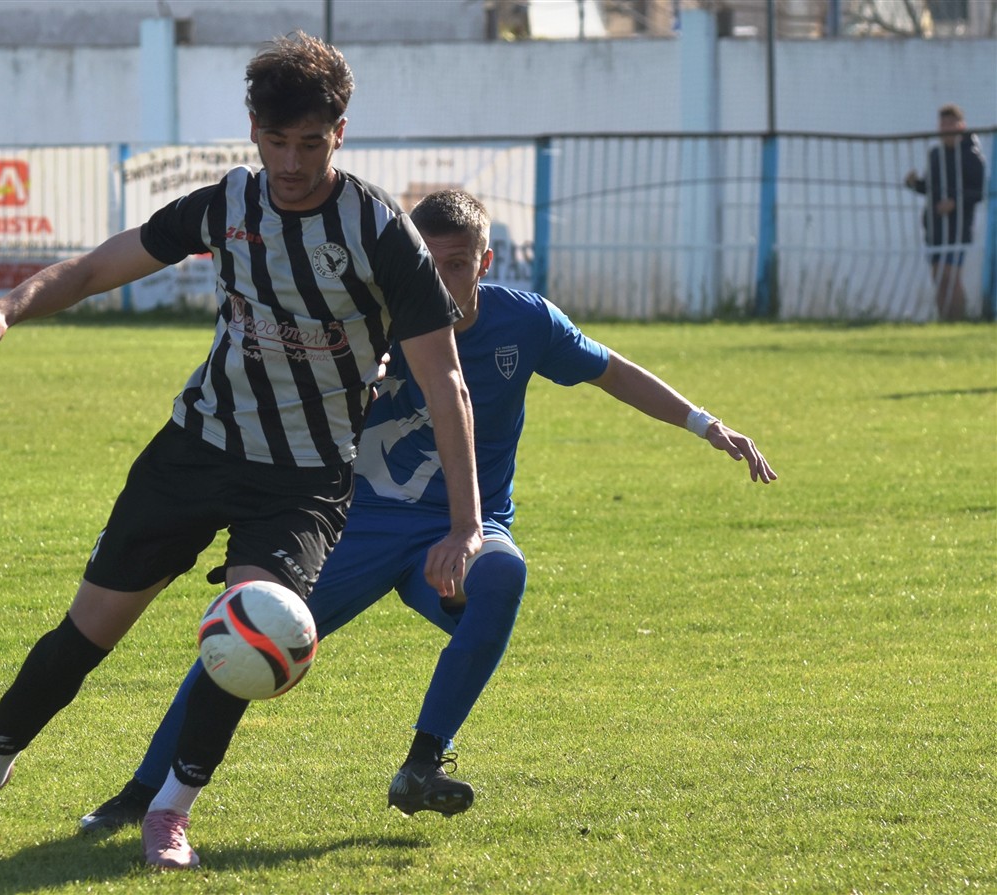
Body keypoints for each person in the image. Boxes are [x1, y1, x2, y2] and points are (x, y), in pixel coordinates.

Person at [0, 32, 485, 869]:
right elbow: (96, 267)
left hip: (304, 478)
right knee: (86, 633)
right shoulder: (226, 205)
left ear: (340, 134)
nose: (292, 162)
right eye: (276, 141)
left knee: (252, 630)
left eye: (311, 143)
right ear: (253, 129)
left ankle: (170, 809)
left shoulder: (379, 230)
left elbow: (445, 379)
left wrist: (466, 524)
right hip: (197, 448)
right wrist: (8, 308)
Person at [76, 189, 778, 864]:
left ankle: (422, 762)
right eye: (427, 263)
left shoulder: (525, 323)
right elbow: (273, 405)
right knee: (248, 632)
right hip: (350, 527)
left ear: (485, 261)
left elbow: (611, 371)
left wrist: (705, 423)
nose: (440, 280)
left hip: (459, 532)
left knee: (503, 574)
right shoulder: (363, 322)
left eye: (457, 264)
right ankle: (142, 794)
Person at [905, 103, 987, 321]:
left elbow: (979, 191)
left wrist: (955, 203)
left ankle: (960, 319)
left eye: (951, 123)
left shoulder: (971, 155)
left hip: (957, 226)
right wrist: (914, 184)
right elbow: (931, 188)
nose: (946, 128)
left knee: (951, 276)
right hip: (935, 226)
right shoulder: (936, 154)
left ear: (961, 125)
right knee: (938, 277)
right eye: (943, 124)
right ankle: (945, 321)